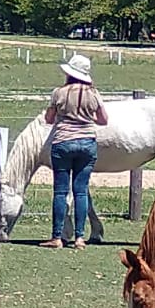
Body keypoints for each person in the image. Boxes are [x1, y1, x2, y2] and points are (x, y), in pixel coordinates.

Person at [40, 53, 108, 250]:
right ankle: (79, 238)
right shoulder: (94, 93)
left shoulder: (59, 93)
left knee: (61, 191)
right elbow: (104, 120)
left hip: (62, 143)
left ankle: (57, 237)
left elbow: (49, 118)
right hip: (87, 143)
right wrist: (88, 119)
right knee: (81, 192)